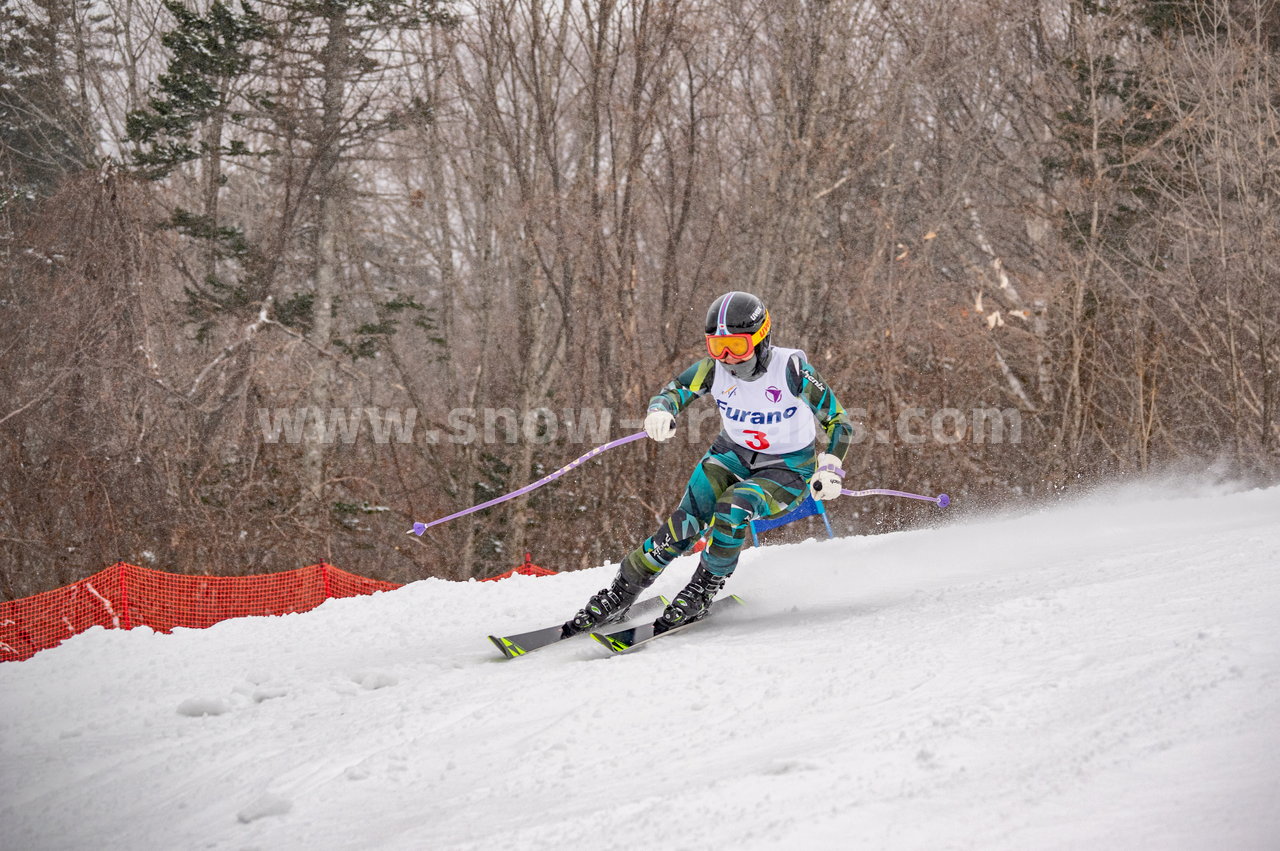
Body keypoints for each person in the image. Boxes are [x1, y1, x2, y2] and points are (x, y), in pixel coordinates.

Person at [565, 291, 854, 634]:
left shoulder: (791, 369)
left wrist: (831, 465)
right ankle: (620, 594)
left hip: (788, 468)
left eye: (737, 347)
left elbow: (839, 421)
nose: (728, 359)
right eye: (718, 348)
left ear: (762, 340)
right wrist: (660, 411)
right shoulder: (712, 370)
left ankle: (703, 587)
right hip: (730, 455)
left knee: (735, 507)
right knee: (680, 528)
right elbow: (672, 392)